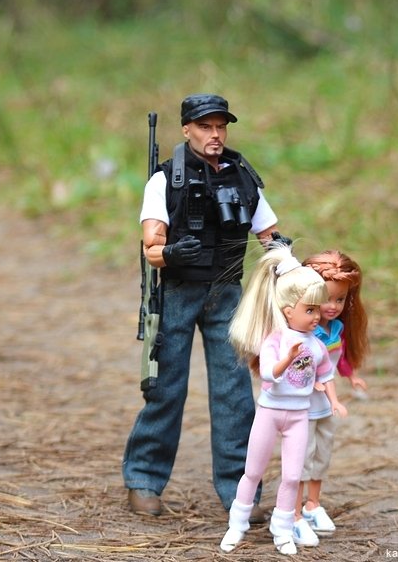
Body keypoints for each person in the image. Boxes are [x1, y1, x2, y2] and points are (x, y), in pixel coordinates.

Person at [122, 94, 288, 521]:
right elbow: (151, 247)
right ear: (186, 129)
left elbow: (269, 236)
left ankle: (240, 490)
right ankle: (143, 479)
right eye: (205, 127)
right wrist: (173, 252)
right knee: (164, 389)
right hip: (178, 292)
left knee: (235, 395)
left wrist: (291, 270)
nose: (214, 135)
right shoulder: (166, 180)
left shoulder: (242, 175)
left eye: (220, 127)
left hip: (226, 293)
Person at [220, 246, 347, 556]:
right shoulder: (275, 339)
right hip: (271, 411)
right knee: (253, 470)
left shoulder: (316, 345)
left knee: (292, 475)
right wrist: (286, 360)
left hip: (298, 415)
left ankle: (283, 528)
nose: (316, 316)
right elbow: (269, 375)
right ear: (288, 309)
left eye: (317, 310)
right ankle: (237, 524)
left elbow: (326, 373)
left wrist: (333, 400)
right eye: (309, 310)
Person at [295, 250, 369, 535]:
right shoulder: (302, 332)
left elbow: (341, 358)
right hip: (302, 406)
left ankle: (313, 504)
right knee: (301, 456)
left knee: (322, 455)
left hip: (326, 406)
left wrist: (351, 377)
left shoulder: (336, 329)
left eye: (340, 299)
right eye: (327, 298)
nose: (333, 306)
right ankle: (295, 508)